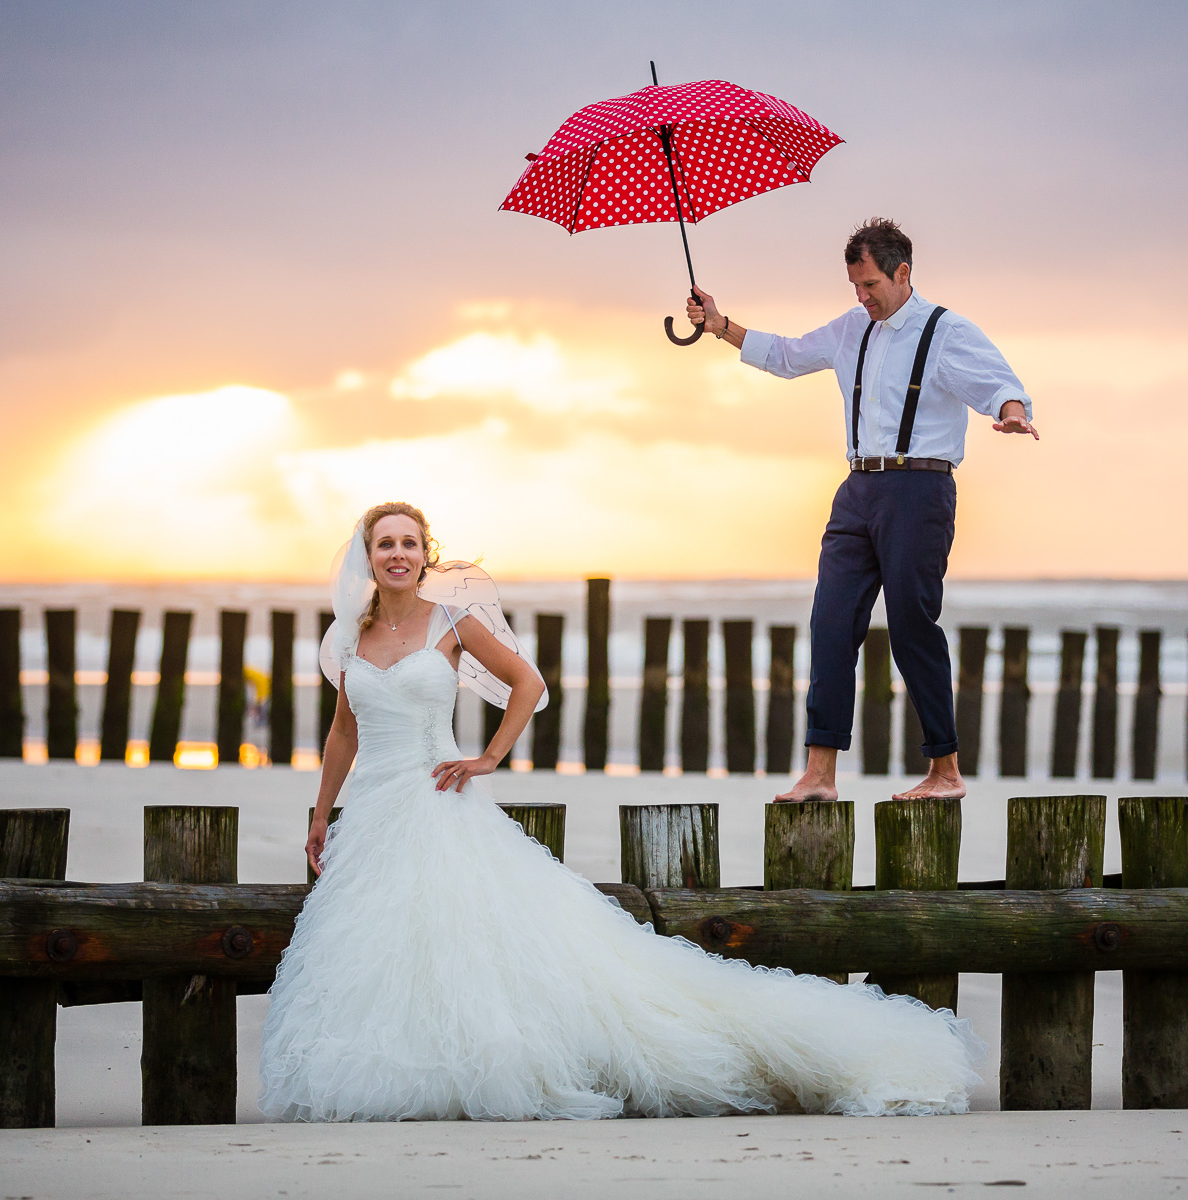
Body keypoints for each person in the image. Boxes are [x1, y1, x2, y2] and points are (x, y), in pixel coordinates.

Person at [258, 501, 985, 1122]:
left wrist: (487, 759)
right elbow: (344, 730)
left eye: (409, 543)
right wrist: (323, 814)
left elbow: (528, 684)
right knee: (384, 948)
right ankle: (402, 1064)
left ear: (425, 556)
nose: (397, 553)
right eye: (384, 542)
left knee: (472, 945)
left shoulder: (452, 622)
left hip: (439, 800)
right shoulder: (350, 638)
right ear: (368, 556)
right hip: (374, 816)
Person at [686, 218, 1037, 805]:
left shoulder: (944, 331)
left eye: (871, 284)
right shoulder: (853, 327)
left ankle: (945, 771)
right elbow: (788, 354)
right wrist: (720, 325)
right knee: (830, 624)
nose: (862, 296)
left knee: (909, 626)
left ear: (903, 273)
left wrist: (1012, 411)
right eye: (855, 285)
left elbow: (998, 382)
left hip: (919, 492)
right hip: (856, 491)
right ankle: (819, 774)